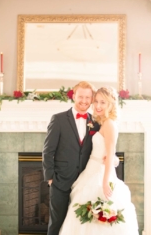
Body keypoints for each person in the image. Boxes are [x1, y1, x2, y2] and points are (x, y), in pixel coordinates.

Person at [59, 87, 139, 235]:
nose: (98, 106)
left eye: (103, 102)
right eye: (96, 101)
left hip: (100, 174)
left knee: (98, 217)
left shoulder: (109, 124)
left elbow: (109, 155)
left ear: (110, 104)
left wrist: (104, 182)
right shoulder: (101, 122)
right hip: (91, 169)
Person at [42, 81, 118, 235]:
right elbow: (48, 151)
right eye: (80, 96)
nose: (84, 101)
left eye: (88, 97)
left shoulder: (97, 122)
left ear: (91, 99)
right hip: (61, 181)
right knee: (57, 223)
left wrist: (111, 159)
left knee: (79, 225)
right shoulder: (58, 119)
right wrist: (50, 178)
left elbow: (106, 148)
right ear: (74, 96)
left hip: (86, 181)